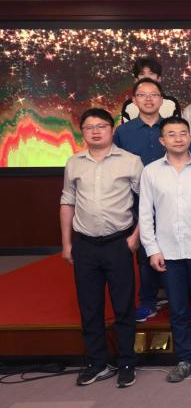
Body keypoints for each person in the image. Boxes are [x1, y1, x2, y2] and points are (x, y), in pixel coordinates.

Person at [60, 108, 143, 388]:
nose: (95, 131)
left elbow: (147, 202)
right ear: (82, 132)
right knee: (89, 307)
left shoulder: (130, 161)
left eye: (101, 126)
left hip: (119, 243)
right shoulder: (74, 163)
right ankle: (97, 363)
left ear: (112, 129)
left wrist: (135, 237)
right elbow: (67, 201)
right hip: (85, 244)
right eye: (89, 127)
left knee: (123, 306)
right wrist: (66, 243)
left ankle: (127, 362)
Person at [138, 117, 191, 384]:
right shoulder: (151, 172)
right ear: (162, 140)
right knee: (178, 309)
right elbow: (145, 214)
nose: (178, 138)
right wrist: (152, 249)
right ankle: (185, 359)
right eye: (171, 134)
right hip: (168, 252)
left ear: (189, 137)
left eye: (183, 133)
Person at [114, 79, 191, 323]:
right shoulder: (124, 132)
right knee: (146, 252)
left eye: (154, 95)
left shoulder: (174, 128)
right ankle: (148, 301)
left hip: (174, 200)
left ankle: (180, 301)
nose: (149, 99)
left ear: (162, 100)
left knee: (178, 251)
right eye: (142, 95)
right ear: (134, 100)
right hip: (138, 200)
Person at [120, 56, 181, 123]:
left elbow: (179, 127)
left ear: (159, 78)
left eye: (151, 73)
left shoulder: (171, 103)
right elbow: (126, 128)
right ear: (136, 80)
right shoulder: (128, 105)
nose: (147, 77)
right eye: (142, 74)